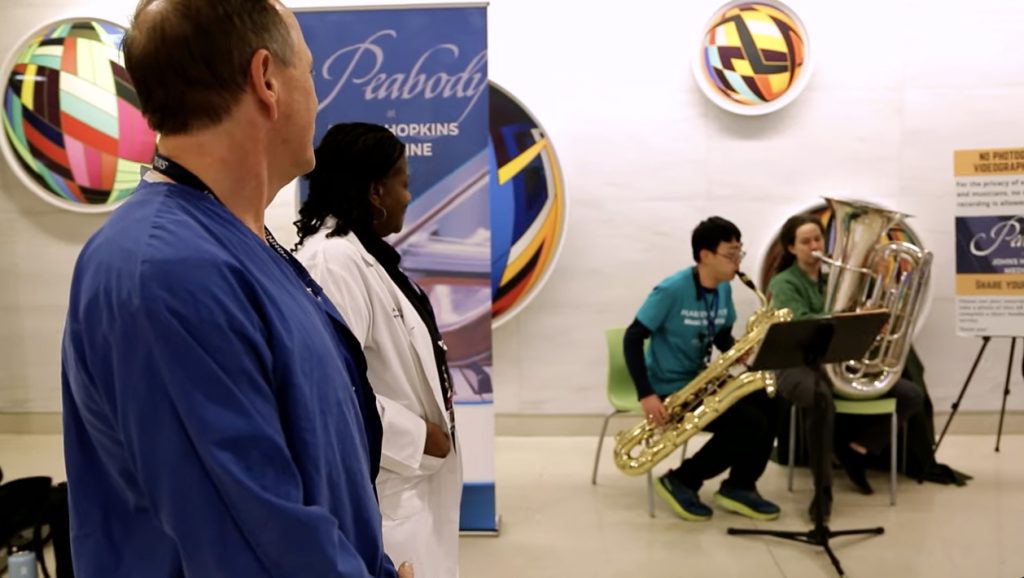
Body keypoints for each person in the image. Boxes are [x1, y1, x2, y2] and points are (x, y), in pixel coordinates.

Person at [60, 2, 410, 576]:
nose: (318, 98)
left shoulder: (233, 243)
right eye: (313, 74)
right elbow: (248, 535)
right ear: (266, 80)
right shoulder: (166, 271)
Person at [294, 123, 462, 577]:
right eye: (403, 183)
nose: (408, 197)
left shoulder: (364, 255)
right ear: (375, 191)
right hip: (386, 489)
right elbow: (330, 390)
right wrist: (419, 437)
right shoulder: (332, 263)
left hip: (407, 485)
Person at [622, 217, 781, 522]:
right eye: (730, 254)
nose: (737, 261)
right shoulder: (670, 290)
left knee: (771, 401)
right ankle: (682, 479)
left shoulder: (723, 289)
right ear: (705, 256)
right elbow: (633, 338)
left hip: (700, 381)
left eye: (739, 253)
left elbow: (719, 331)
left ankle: (740, 485)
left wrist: (733, 349)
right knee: (746, 422)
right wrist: (646, 394)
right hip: (670, 389)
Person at [768, 213, 924, 522]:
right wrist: (844, 320)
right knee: (820, 398)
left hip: (831, 362)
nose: (814, 246)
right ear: (791, 248)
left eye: (817, 239)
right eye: (805, 241)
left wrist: (868, 321)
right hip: (796, 364)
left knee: (910, 395)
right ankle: (822, 491)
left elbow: (846, 326)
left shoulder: (831, 280)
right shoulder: (783, 282)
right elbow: (800, 323)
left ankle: (856, 449)